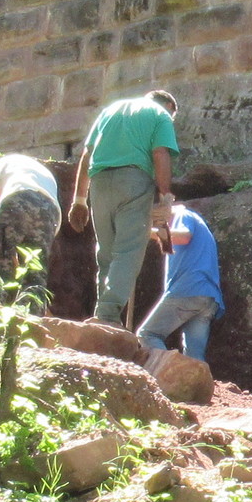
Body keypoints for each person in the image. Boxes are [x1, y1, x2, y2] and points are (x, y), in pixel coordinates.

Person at [66, 89, 179, 327]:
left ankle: (102, 314)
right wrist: (165, 197)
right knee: (128, 252)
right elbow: (160, 153)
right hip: (133, 182)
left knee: (106, 253)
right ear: (168, 107)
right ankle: (108, 315)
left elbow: (87, 155)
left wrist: (79, 200)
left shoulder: (109, 111)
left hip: (99, 183)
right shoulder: (160, 115)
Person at [136, 201, 221, 369]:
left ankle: (169, 374)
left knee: (148, 334)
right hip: (207, 297)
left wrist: (145, 231)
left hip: (188, 290)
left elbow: (184, 236)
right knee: (195, 357)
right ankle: (195, 384)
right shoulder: (198, 223)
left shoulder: (184, 214)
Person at [0, 149, 63, 288]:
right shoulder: (41, 172)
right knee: (34, 271)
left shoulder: (4, 162)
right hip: (50, 211)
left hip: (19, 199)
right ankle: (31, 301)